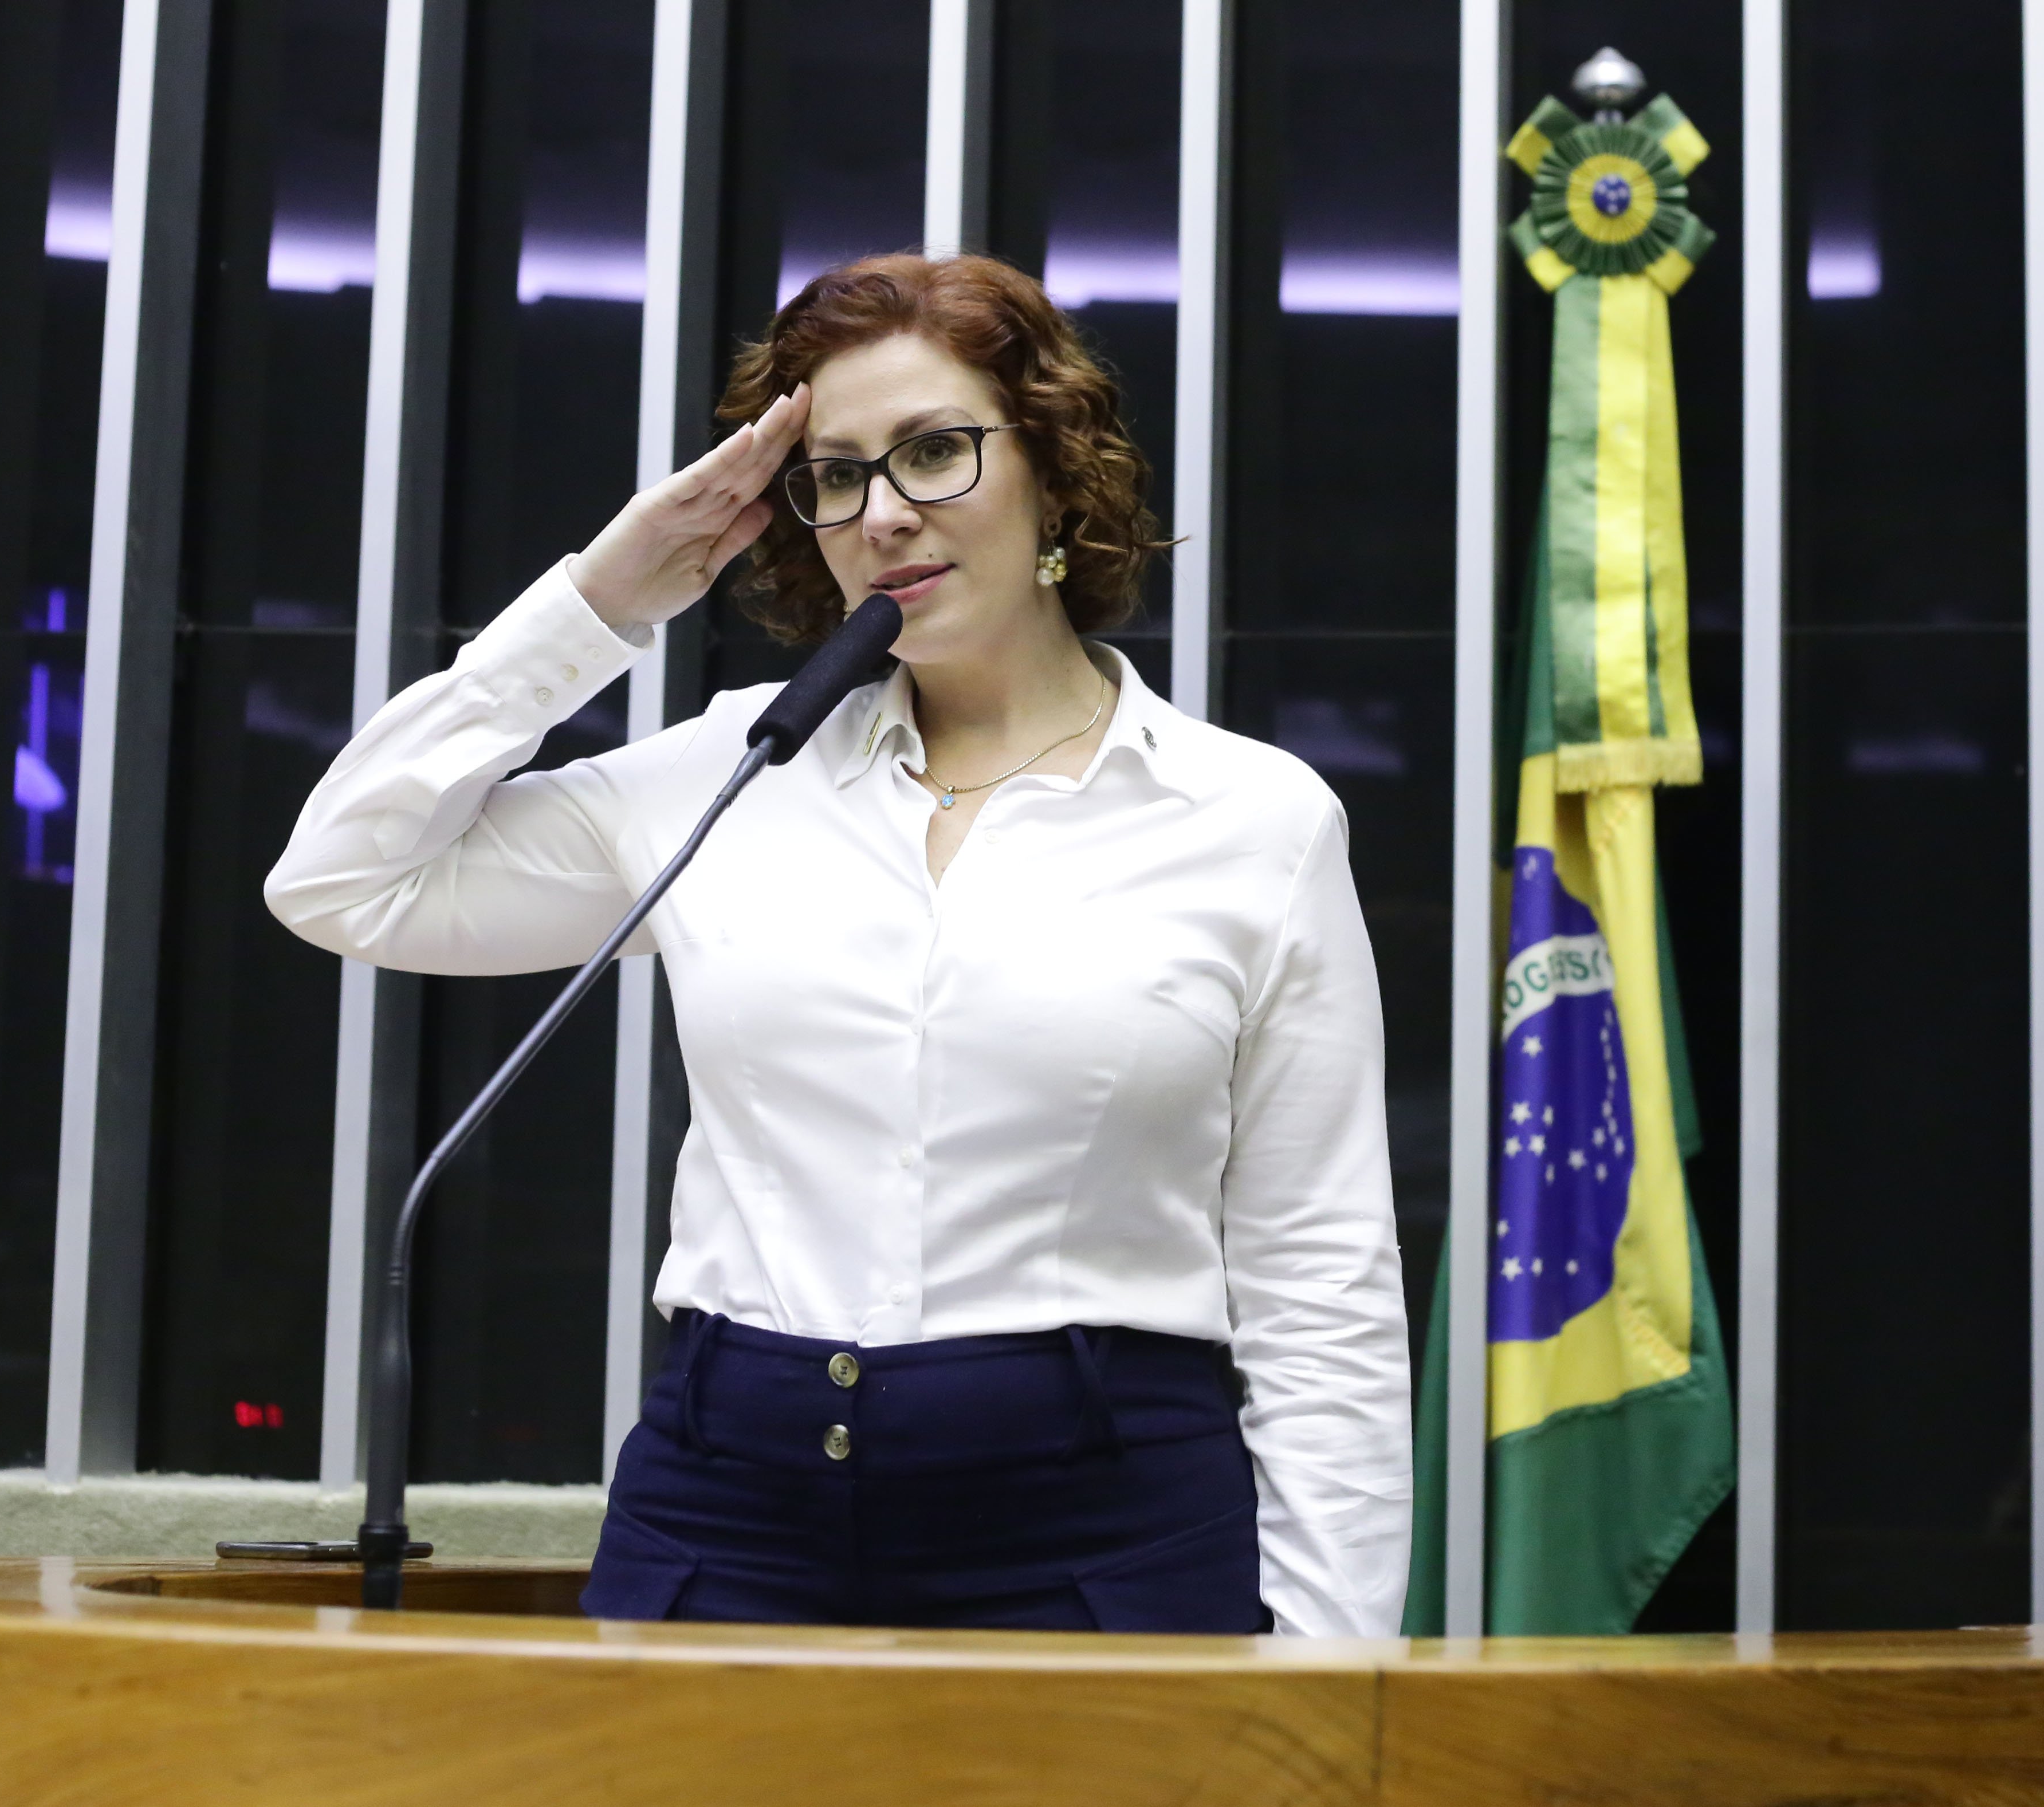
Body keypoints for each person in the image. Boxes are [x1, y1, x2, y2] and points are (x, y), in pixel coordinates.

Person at [264, 252, 1410, 1637]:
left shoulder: (1252, 819)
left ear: (1054, 471)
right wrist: (604, 603)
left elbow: (1319, 1283)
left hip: (1101, 1518)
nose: (887, 514)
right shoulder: (729, 771)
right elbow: (342, 882)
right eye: (839, 474)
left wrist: (1333, 1683)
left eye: (937, 453)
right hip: (730, 1503)